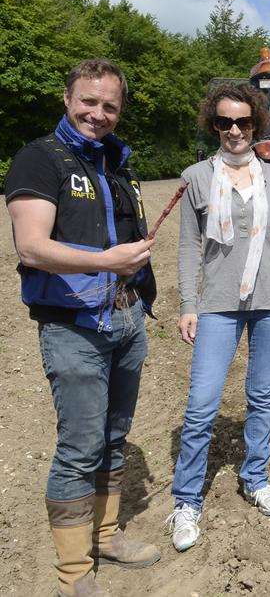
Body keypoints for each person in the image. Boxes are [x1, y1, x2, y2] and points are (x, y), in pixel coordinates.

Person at [4, 58, 160, 596]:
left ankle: (108, 535)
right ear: (67, 100)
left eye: (109, 105)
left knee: (114, 437)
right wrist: (108, 261)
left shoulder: (118, 163)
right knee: (80, 446)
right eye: (88, 102)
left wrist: (132, 275)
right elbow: (31, 246)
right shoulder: (39, 159)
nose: (98, 113)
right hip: (74, 327)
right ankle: (74, 572)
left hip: (126, 316)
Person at [167, 83, 270, 552]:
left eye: (243, 122)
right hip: (219, 305)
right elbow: (188, 248)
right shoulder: (196, 178)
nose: (234, 130)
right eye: (225, 121)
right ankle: (187, 501)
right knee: (203, 402)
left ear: (256, 125)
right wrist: (189, 303)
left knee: (261, 394)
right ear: (214, 125)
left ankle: (256, 476)